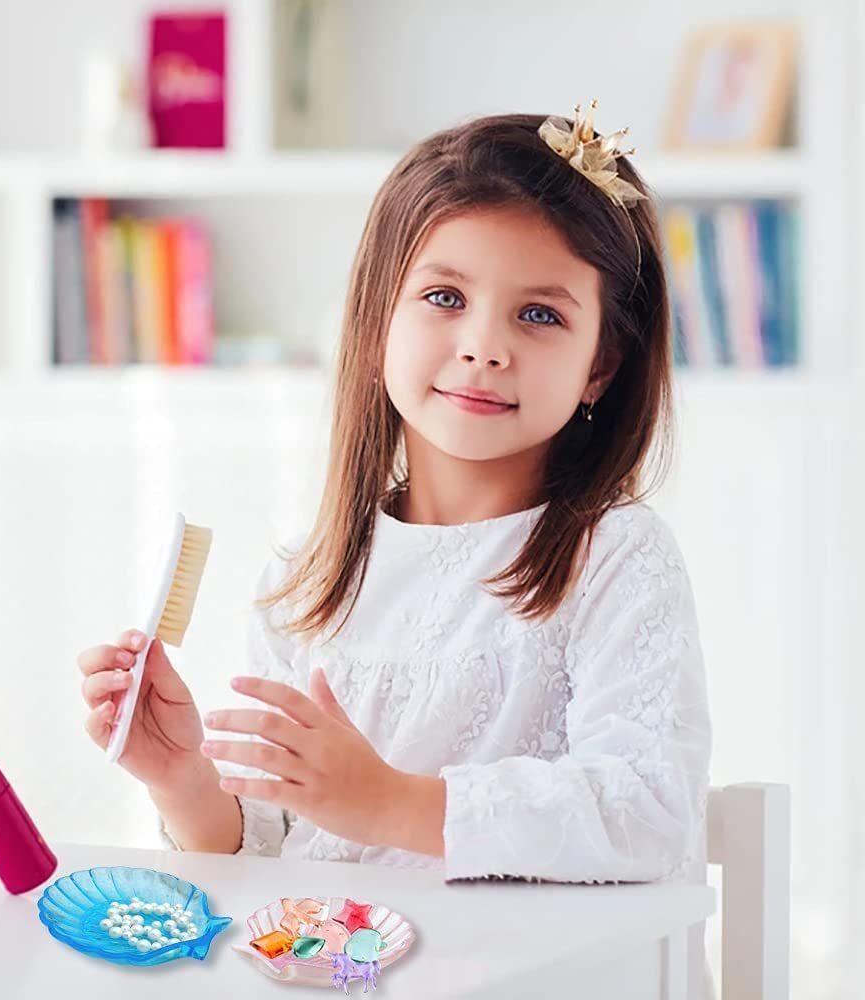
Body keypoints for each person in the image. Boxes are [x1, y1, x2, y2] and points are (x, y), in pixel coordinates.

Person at [78, 101, 713, 992]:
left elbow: (648, 809)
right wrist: (182, 780)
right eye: (445, 298)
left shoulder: (614, 557)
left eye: (541, 315)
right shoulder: (309, 577)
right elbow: (271, 855)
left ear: (601, 364)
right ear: (380, 319)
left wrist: (391, 802)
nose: (484, 346)